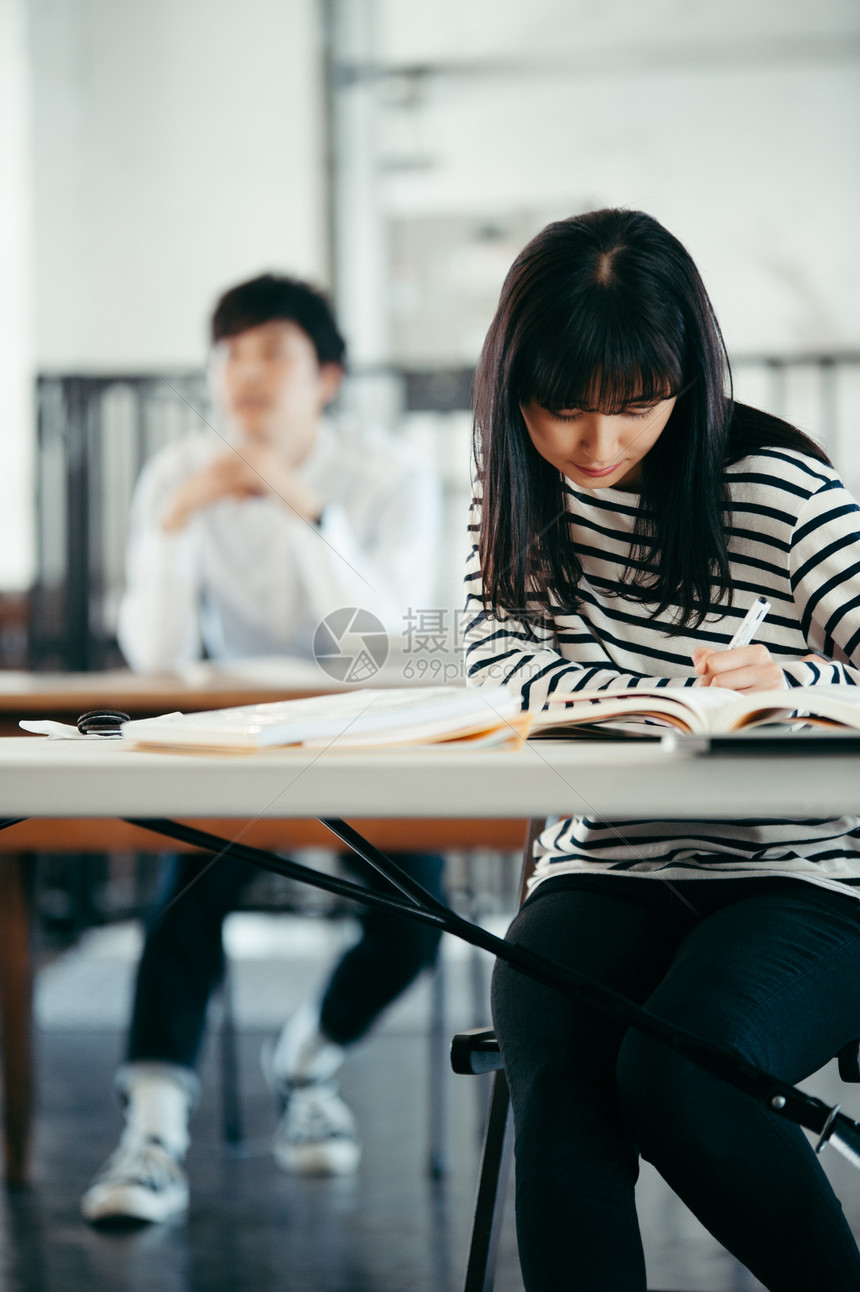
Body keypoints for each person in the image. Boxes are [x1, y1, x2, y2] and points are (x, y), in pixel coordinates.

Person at [464, 209, 860, 1291]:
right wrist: (656, 696)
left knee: (682, 1072)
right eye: (559, 411)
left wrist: (802, 681)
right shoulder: (511, 502)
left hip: (808, 879)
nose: (595, 447)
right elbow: (501, 670)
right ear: (511, 393)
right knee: (565, 1082)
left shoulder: (778, 489)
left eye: (635, 408)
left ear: (685, 378)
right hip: (609, 863)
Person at [82, 273, 445, 1224]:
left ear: (326, 376)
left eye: (273, 353)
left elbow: (375, 644)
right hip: (239, 736)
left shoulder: (389, 470)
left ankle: (306, 1064)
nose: (247, 375)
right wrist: (173, 524)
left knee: (417, 924)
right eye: (231, 353)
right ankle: (152, 1138)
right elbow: (155, 655)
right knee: (182, 912)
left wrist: (303, 512)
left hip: (370, 729)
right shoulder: (178, 471)